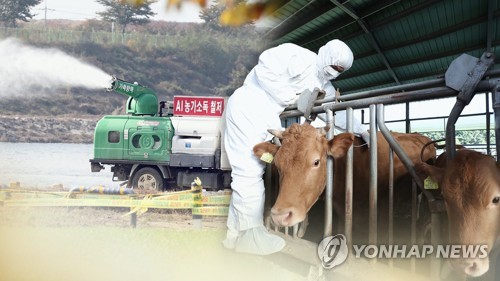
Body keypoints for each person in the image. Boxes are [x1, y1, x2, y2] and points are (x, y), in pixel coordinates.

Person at [223, 39, 369, 255]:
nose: (334, 73)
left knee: (246, 174)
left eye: (339, 71)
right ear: (326, 56)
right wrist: (292, 98)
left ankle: (233, 235)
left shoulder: (325, 86)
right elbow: (264, 69)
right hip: (249, 105)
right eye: (333, 66)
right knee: (249, 174)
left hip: (266, 116)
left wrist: (361, 129)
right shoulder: (297, 56)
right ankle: (252, 237)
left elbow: (335, 112)